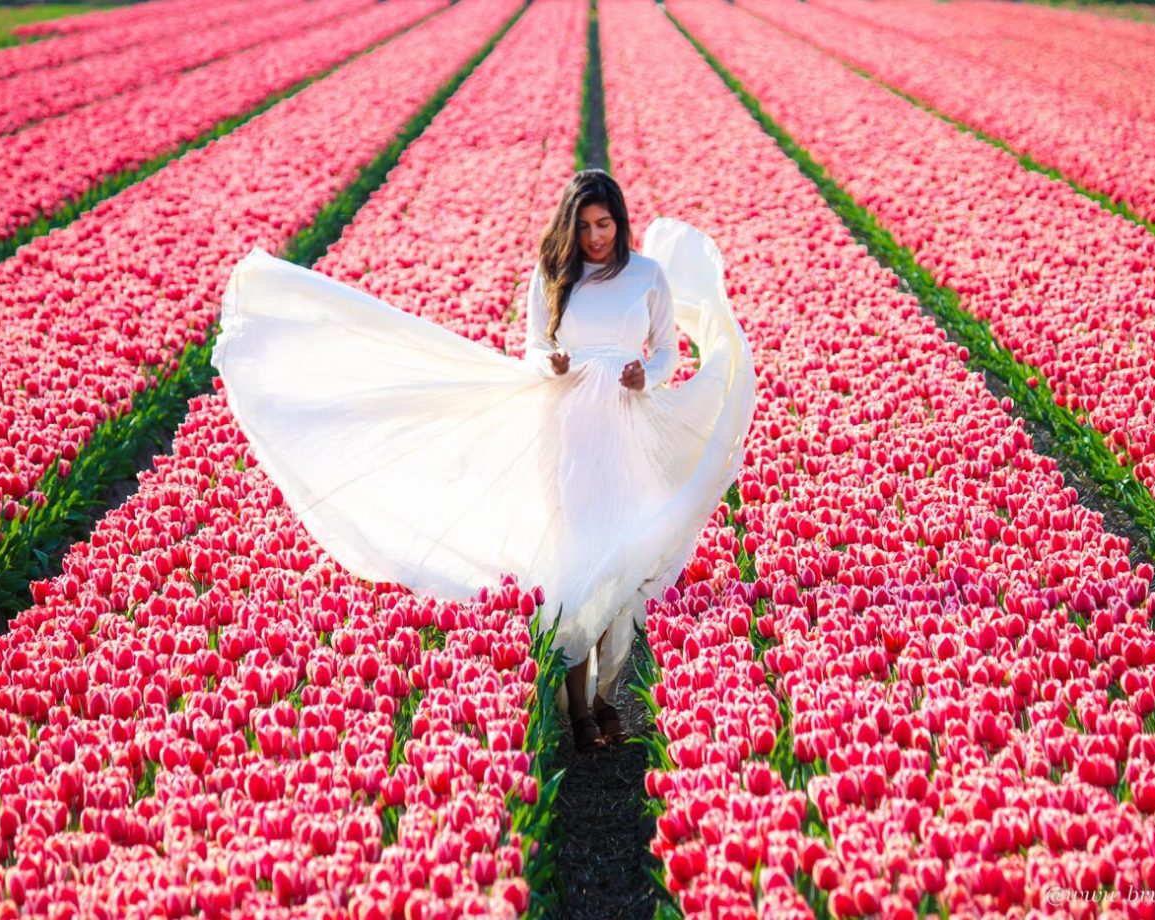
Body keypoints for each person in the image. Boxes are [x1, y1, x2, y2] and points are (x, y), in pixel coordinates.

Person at [210, 169, 755, 754]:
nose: (597, 237)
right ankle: (577, 710)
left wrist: (647, 375)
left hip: (626, 423)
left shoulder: (648, 276)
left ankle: (603, 697)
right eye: (586, 226)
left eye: (606, 224)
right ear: (568, 228)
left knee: (620, 562)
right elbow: (534, 350)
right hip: (565, 425)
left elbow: (669, 349)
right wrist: (553, 365)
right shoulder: (552, 275)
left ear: (621, 222)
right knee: (575, 559)